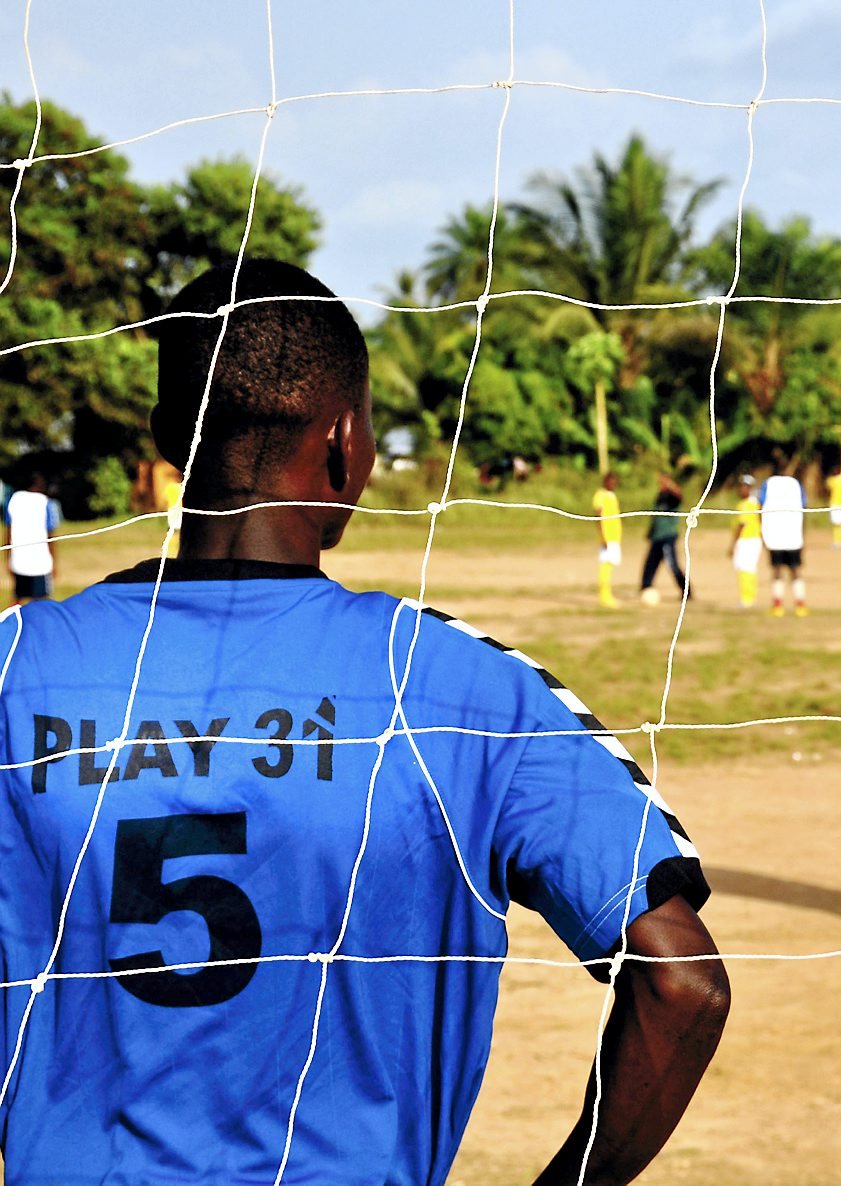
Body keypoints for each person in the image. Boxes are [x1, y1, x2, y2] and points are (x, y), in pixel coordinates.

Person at [0, 260, 727, 1184]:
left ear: (168, 441)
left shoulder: (18, 664)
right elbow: (683, 982)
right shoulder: (458, 687)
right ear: (348, 443)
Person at [759, 456, 809, 617]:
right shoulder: (795, 484)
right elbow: (805, 507)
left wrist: (763, 531)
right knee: (792, 570)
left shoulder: (769, 484)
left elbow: (760, 507)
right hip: (789, 535)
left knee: (779, 570)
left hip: (777, 535)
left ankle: (783, 604)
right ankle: (793, 604)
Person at [4, 469, 62, 604]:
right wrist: (54, 562)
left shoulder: (13, 500)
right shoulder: (44, 502)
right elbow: (50, 536)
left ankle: (11, 624)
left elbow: (7, 534)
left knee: (17, 600)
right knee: (41, 603)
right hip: (40, 562)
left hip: (18, 560)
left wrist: (8, 559)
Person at [638, 473, 690, 604]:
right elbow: (656, 516)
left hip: (668, 536)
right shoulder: (660, 497)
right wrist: (650, 531)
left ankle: (686, 590)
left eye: (663, 482)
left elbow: (680, 494)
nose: (661, 485)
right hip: (657, 537)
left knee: (671, 563)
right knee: (650, 564)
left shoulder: (672, 497)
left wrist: (669, 484)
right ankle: (646, 588)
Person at [729, 473, 763, 608]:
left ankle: (747, 598)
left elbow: (741, 525)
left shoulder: (746, 504)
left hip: (747, 540)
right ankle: (749, 597)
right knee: (749, 568)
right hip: (754, 539)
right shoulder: (755, 503)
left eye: (745, 487)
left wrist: (732, 544)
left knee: (745, 568)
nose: (741, 489)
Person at [591, 470, 622, 608]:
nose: (613, 483)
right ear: (605, 481)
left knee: (610, 565)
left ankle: (607, 594)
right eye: (611, 480)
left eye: (615, 480)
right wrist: (603, 536)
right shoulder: (600, 495)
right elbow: (598, 515)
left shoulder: (612, 495)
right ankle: (604, 595)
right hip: (606, 536)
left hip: (614, 536)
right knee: (605, 565)